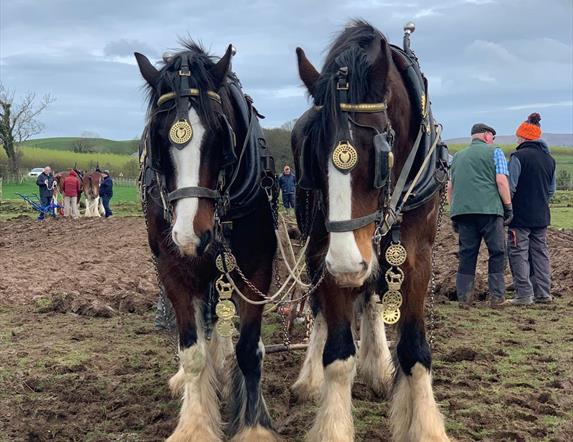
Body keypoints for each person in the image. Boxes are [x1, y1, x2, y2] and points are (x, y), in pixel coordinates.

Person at [447, 123, 513, 308]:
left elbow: (450, 187)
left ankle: (464, 299)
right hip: (490, 211)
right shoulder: (495, 152)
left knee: (467, 254)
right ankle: (497, 298)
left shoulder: (458, 157)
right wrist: (508, 206)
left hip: (463, 212)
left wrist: (454, 212)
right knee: (497, 252)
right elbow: (501, 181)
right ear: (485, 136)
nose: (493, 140)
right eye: (492, 136)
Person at [507, 113, 556, 305]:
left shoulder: (518, 157)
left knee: (518, 253)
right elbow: (551, 190)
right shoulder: (549, 159)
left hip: (519, 217)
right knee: (540, 253)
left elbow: (511, 187)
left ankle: (524, 295)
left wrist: (507, 209)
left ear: (523, 137)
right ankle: (543, 293)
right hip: (542, 216)